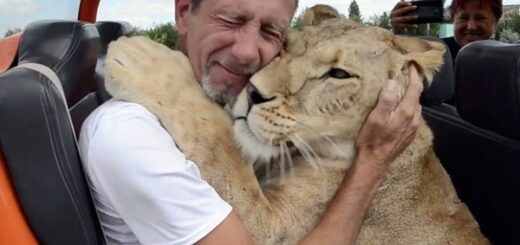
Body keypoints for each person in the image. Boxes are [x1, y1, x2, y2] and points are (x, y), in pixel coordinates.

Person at [79, 0, 424, 244]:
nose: (248, 52)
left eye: (272, 33)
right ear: (184, 13)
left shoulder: (234, 105)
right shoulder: (127, 134)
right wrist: (374, 159)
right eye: (230, 20)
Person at [390, 0, 502, 62]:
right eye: (464, 18)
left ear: (496, 22)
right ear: (453, 19)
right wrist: (398, 34)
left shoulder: (510, 59)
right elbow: (398, 64)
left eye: (480, 18)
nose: (471, 26)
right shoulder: (434, 51)